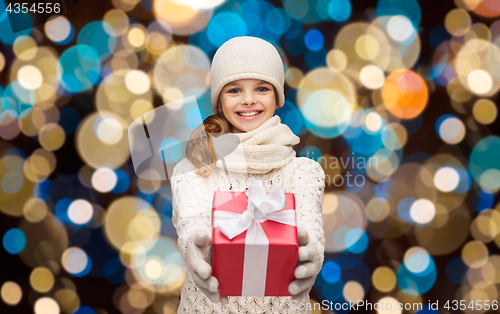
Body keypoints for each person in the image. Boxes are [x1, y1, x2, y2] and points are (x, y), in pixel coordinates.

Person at [170, 36, 326, 313]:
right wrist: (195, 248)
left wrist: (311, 254)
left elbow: (309, 229)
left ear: (277, 96)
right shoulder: (192, 170)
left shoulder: (303, 171)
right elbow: (191, 221)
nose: (249, 100)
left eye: (262, 88)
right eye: (234, 90)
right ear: (218, 101)